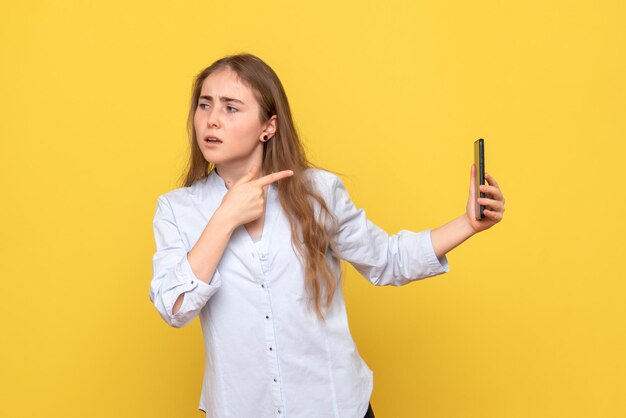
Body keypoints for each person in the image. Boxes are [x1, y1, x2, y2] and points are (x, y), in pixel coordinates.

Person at [149, 53, 505, 418]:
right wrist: (225, 217)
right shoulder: (178, 210)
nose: (211, 120)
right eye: (204, 105)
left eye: (231, 108)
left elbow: (388, 261)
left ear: (268, 127)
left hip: (335, 407)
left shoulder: (318, 191)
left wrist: (468, 223)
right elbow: (173, 307)